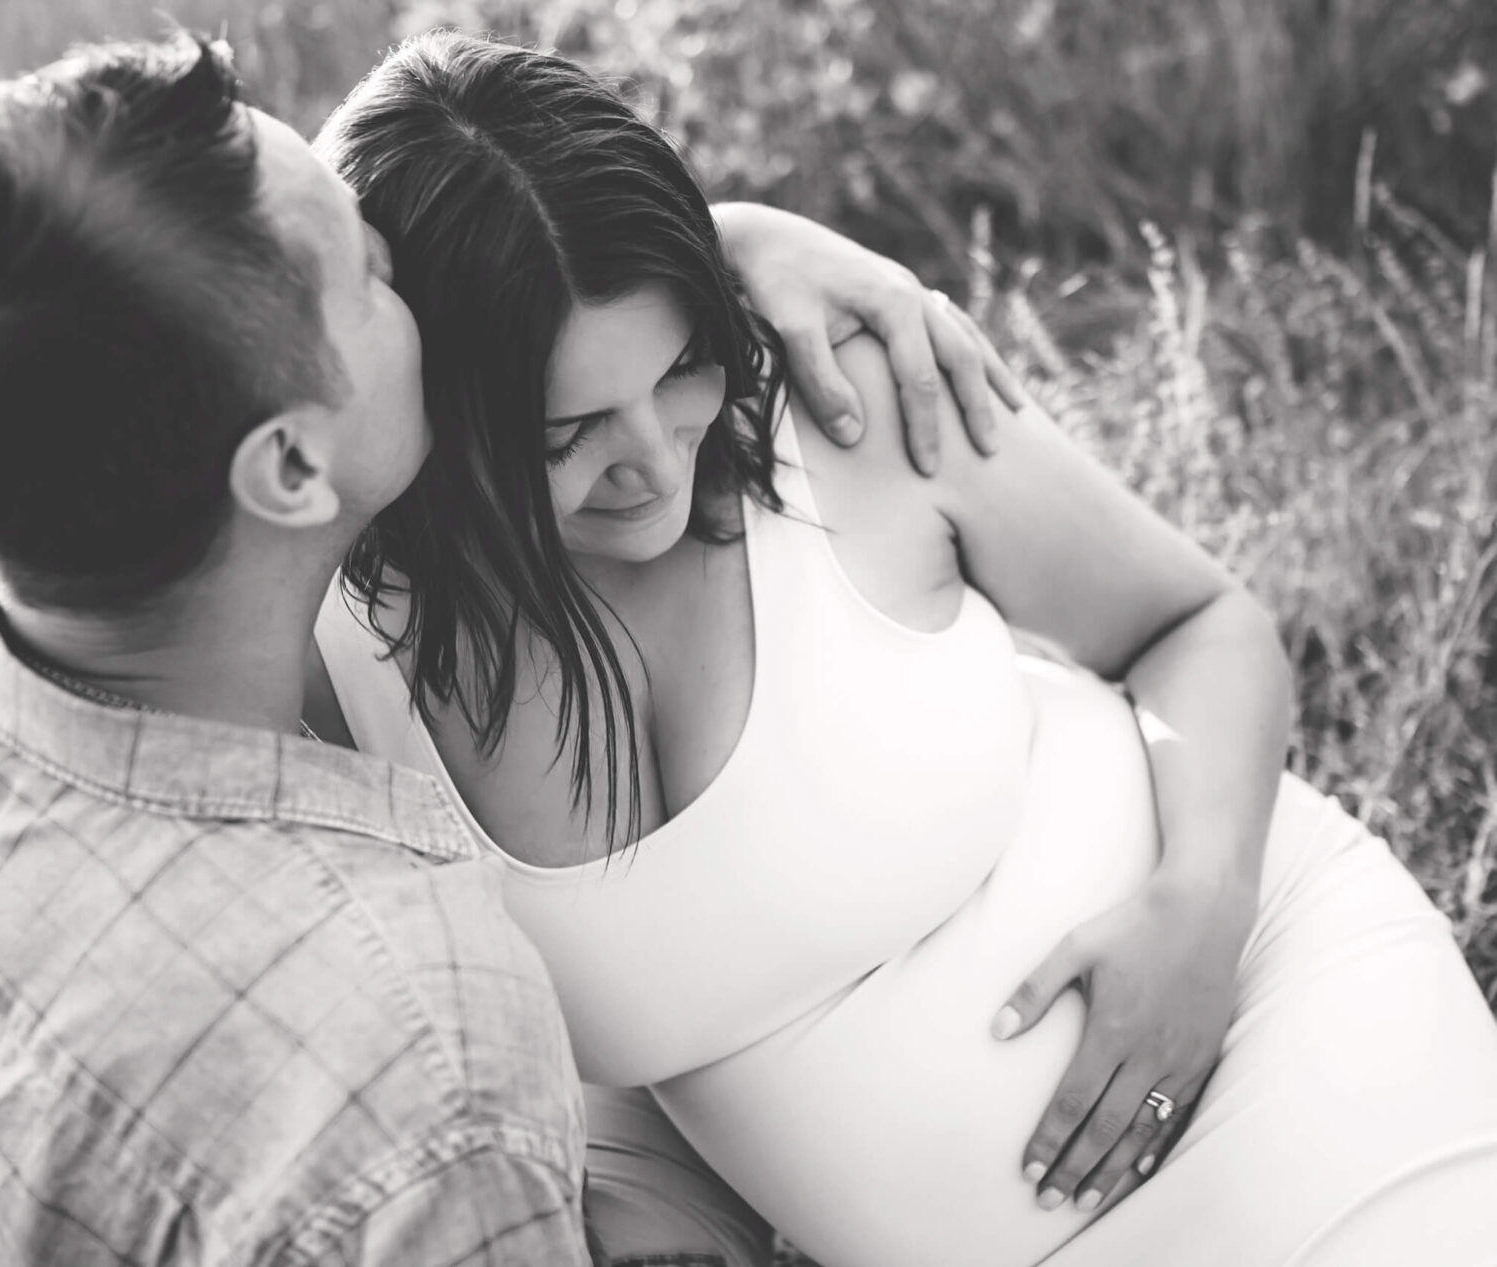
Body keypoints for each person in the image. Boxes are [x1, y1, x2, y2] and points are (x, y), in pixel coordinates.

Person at [0, 32, 1010, 1265]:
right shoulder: (422, 1076)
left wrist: (696, 243)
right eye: (369, 272)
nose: (407, 266)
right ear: (290, 462)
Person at [310, 31, 1497, 1267]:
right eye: (567, 435)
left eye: (680, 369)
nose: (657, 462)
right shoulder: (346, 656)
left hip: (1278, 1025)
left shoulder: (844, 403)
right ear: (426, 406)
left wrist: (1199, 911)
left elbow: (1197, 624)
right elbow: (630, 1039)